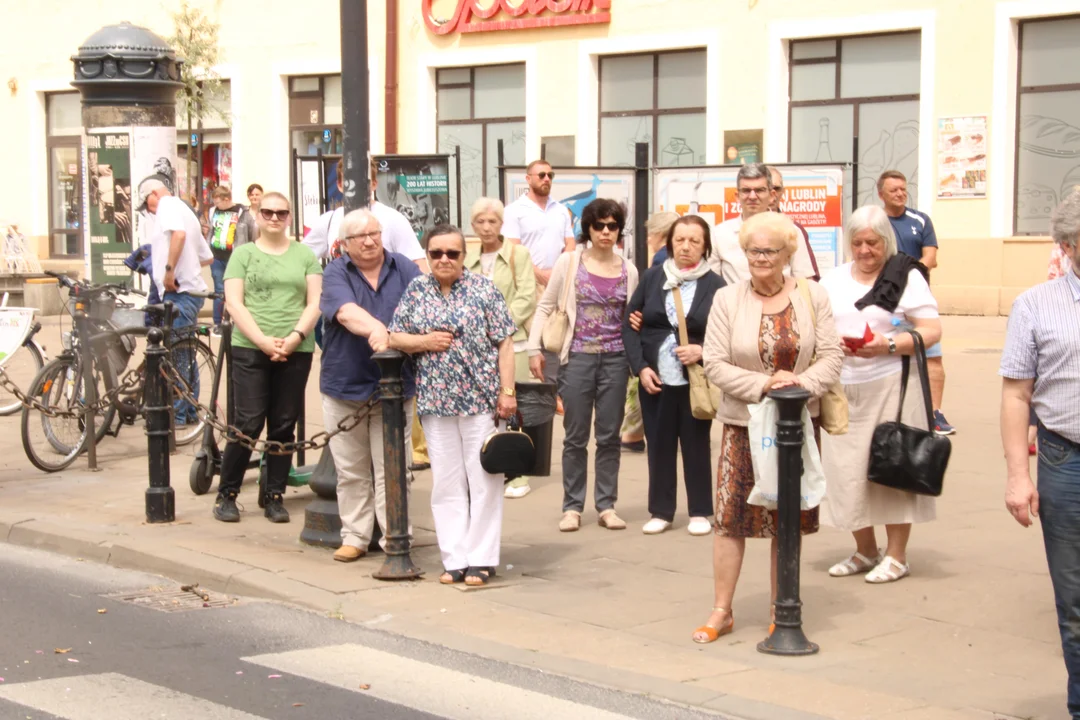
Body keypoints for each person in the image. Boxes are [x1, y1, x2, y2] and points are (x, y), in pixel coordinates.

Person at [692, 211, 842, 643]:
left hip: (797, 426)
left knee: (787, 519)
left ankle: (783, 609)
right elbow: (714, 362)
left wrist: (798, 387)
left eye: (769, 251)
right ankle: (722, 610)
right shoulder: (727, 299)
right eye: (753, 250)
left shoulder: (813, 295)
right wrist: (767, 385)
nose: (760, 258)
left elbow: (831, 355)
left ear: (786, 253)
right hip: (742, 425)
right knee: (730, 520)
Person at [818, 205, 942, 584]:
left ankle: (897, 556)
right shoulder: (833, 279)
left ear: (885, 241)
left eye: (872, 242)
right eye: (857, 243)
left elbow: (932, 331)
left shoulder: (905, 276)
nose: (865, 250)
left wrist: (888, 345)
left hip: (891, 384)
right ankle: (865, 551)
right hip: (842, 386)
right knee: (845, 472)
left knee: (893, 469)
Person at [389, 225, 518, 587]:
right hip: (435, 402)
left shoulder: (483, 289)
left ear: (464, 256)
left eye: (452, 253)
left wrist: (507, 392)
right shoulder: (416, 290)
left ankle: (481, 558)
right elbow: (394, 335)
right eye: (436, 253)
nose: (444, 259)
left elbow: (505, 343)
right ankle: (455, 558)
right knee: (446, 484)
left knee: (484, 481)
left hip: (480, 400)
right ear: (427, 256)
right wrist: (424, 341)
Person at [1001, 189, 1080, 718]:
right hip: (1063, 460)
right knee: (1075, 603)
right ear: (1071, 242)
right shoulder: (1035, 304)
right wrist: (1016, 476)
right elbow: (1015, 394)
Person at [528, 198, 640, 532]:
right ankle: (572, 507)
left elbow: (631, 316)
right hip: (576, 357)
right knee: (575, 437)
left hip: (616, 360)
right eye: (599, 226)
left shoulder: (628, 268)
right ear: (588, 229)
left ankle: (606, 505)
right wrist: (535, 348)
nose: (606, 232)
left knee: (609, 436)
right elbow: (546, 306)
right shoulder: (570, 262)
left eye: (613, 226)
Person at [213, 192, 323, 524]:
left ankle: (274, 495)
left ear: (289, 217)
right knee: (247, 422)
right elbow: (234, 302)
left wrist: (293, 339)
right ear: (257, 215)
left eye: (281, 213)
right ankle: (227, 493)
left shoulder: (304, 255)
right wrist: (262, 341)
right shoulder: (243, 254)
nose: (274, 218)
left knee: (284, 423)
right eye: (268, 212)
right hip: (250, 347)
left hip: (295, 349)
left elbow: (315, 301)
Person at [320, 209, 422, 562]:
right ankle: (355, 536)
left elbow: (425, 303)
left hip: (396, 387)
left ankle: (397, 534)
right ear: (345, 244)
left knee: (395, 467)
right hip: (344, 385)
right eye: (360, 236)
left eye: (374, 233)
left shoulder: (405, 268)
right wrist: (382, 331)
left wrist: (395, 337)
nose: (369, 241)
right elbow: (345, 312)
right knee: (351, 470)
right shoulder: (336, 271)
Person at [622, 215, 725, 536]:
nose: (686, 247)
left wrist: (703, 351)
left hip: (695, 381)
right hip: (656, 379)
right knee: (659, 445)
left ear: (705, 246)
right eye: (680, 240)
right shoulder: (653, 278)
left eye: (695, 241)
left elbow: (727, 334)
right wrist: (641, 368)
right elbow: (630, 324)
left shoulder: (716, 285)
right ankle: (661, 511)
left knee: (696, 445)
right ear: (670, 243)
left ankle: (699, 511)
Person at [463, 197, 538, 499]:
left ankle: (518, 474)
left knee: (514, 405)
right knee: (484, 409)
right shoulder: (467, 257)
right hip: (477, 348)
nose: (486, 227)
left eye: (492, 221)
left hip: (514, 342)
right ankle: (486, 467)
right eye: (480, 221)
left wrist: (498, 326)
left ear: (501, 224)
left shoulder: (518, 254)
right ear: (473, 225)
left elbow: (527, 297)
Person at [878, 170, 953, 436]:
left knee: (933, 359)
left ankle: (935, 415)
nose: (899, 193)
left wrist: (908, 276)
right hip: (887, 306)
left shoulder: (920, 220)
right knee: (890, 359)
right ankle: (893, 417)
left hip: (919, 306)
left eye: (902, 188)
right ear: (881, 195)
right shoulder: (876, 222)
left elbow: (930, 256)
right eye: (893, 190)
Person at [135, 176, 212, 425]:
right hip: (189, 292)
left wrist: (170, 270)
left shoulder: (167, 206)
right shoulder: (185, 210)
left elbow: (178, 236)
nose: (149, 211)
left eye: (147, 205)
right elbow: (206, 256)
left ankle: (178, 415)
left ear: (153, 194)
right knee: (184, 355)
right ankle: (188, 412)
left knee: (178, 357)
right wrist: (184, 264)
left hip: (179, 293)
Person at [502, 159, 575, 390]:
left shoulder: (561, 210)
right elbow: (513, 248)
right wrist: (539, 274)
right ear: (528, 179)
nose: (546, 179)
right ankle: (538, 391)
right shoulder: (514, 211)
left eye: (550, 175)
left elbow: (570, 243)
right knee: (534, 338)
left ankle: (556, 391)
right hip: (528, 283)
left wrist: (559, 271)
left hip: (559, 283)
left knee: (557, 335)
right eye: (541, 175)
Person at [303, 158, 427, 272]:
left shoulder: (393, 219)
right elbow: (300, 261)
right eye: (349, 181)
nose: (356, 186)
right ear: (340, 185)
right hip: (341, 293)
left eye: (363, 181)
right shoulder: (328, 221)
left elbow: (418, 266)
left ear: (374, 184)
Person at [623, 211, 680, 453]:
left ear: (659, 234)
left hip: (659, 343)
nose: (647, 239)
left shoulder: (659, 260)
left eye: (649, 234)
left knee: (644, 386)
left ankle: (634, 434)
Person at [709, 163, 817, 285]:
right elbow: (712, 286)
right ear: (737, 196)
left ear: (772, 195)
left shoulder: (791, 231)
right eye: (746, 190)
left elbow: (804, 283)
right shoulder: (718, 234)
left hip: (783, 303)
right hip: (735, 303)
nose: (752, 196)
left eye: (759, 190)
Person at [206, 185, 258, 325]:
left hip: (234, 257)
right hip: (217, 256)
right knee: (219, 289)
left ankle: (234, 321)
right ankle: (217, 323)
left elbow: (253, 234)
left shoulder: (242, 213)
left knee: (236, 290)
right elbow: (211, 231)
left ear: (227, 199)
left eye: (218, 202)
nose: (216, 205)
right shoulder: (213, 212)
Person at [767, 166, 820, 281]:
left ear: (783, 192)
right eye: (766, 188)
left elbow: (807, 280)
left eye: (776, 188)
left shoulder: (794, 230)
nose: (772, 193)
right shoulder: (728, 231)